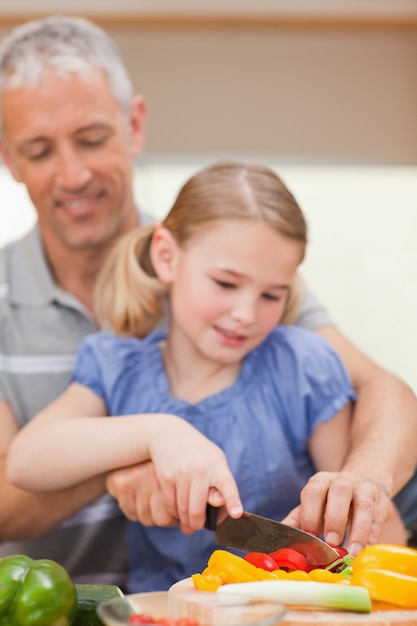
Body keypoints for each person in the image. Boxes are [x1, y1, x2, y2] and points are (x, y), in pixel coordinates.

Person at [0, 15, 415, 587]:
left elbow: (383, 401)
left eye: (92, 138)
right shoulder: (115, 361)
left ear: (134, 125)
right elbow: (19, 470)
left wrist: (360, 486)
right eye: (40, 149)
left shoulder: (247, 265)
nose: (246, 312)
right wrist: (152, 440)